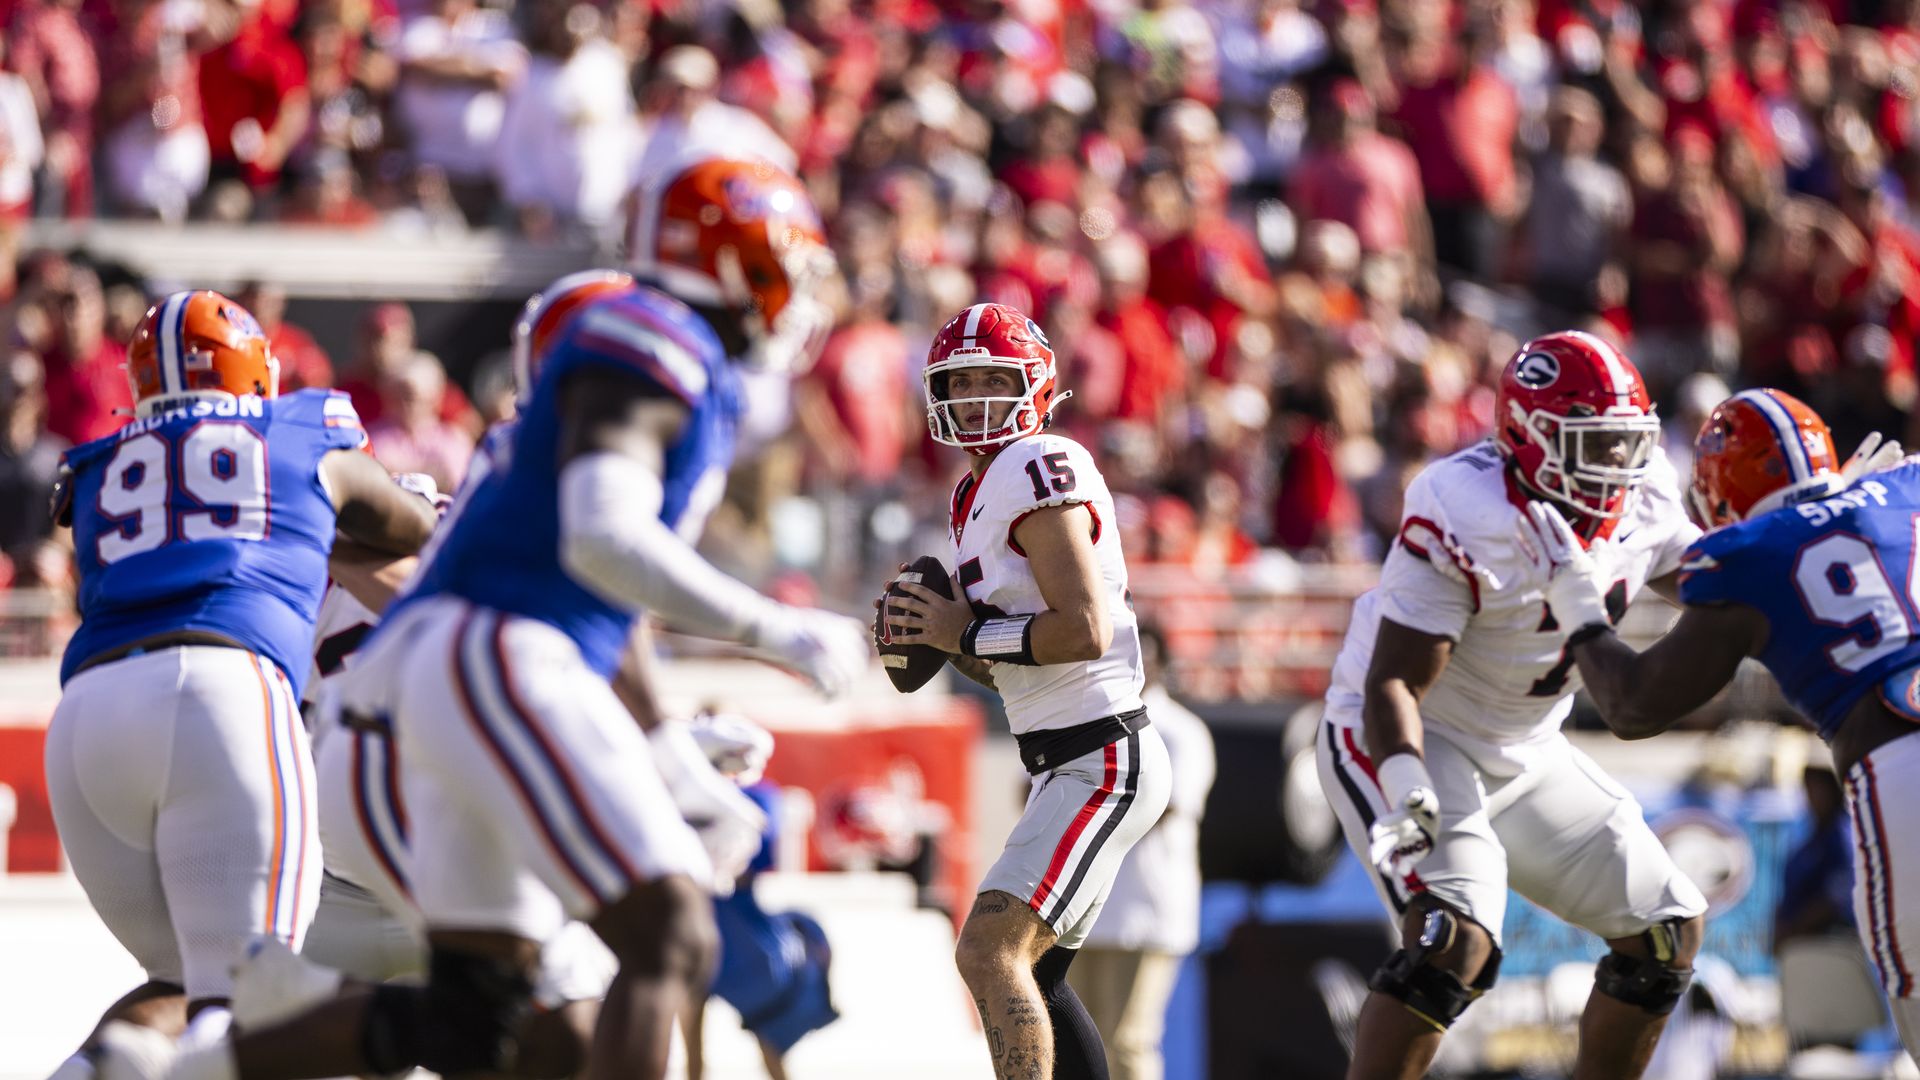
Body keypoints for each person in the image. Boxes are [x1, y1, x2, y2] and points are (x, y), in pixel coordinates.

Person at [137, 157, 867, 1080]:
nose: (797, 296)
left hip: (449, 679)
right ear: (727, 258)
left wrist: (667, 749)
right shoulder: (656, 335)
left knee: (476, 1020)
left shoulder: (654, 356)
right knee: (669, 936)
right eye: (784, 262)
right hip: (489, 661)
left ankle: (180, 1073)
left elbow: (603, 603)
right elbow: (601, 540)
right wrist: (776, 631)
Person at [42, 290, 436, 1078]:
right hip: (222, 696)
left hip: (86, 721)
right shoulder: (300, 429)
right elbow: (414, 529)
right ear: (257, 367)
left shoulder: (91, 466)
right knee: (247, 1006)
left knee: (178, 988)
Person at [1314, 330, 1710, 1080]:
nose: (1614, 468)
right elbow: (1393, 683)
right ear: (1527, 439)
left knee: (1667, 930)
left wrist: (1804, 537)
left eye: (1623, 444)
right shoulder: (1466, 506)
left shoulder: (1645, 486)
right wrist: (1404, 785)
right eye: (1589, 446)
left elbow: (1712, 584)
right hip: (1413, 735)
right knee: (1450, 943)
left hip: (1528, 747)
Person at [1522, 387, 1918, 1058]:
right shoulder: (1906, 487)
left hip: (1900, 768)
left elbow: (1633, 705)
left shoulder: (1746, 555)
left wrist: (1582, 611)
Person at [880, 301, 1173, 1080]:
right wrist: (937, 638)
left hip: (1102, 754)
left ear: (1036, 384)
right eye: (961, 381)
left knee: (988, 951)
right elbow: (1013, 661)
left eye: (993, 379)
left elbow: (1084, 629)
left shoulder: (1034, 462)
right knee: (1034, 975)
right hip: (1067, 755)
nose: (976, 397)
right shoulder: (974, 494)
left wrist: (960, 632)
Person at [1072, 623, 1215, 1080]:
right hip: (1080, 908)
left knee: (1128, 1041)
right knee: (1077, 1043)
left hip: (1145, 909)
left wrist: (1083, 805)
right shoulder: (1081, 720)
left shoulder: (1181, 731)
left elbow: (1170, 809)